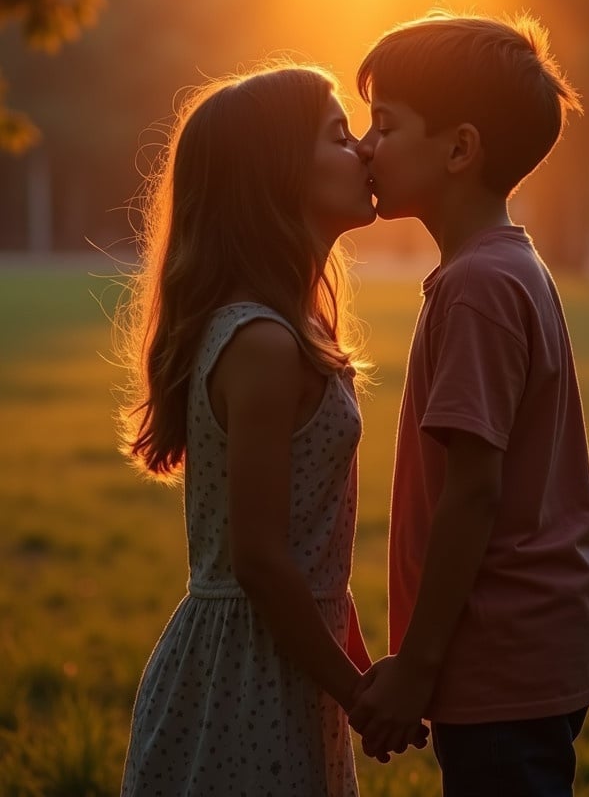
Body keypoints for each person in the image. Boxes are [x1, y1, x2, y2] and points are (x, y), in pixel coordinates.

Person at [116, 64, 423, 796]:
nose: (364, 152)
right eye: (338, 135)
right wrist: (355, 694)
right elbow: (260, 560)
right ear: (276, 173)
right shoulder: (261, 342)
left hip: (285, 659)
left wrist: (355, 667)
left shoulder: (296, 326)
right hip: (245, 675)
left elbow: (311, 548)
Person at [348, 13, 589, 796]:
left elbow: (473, 492)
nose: (363, 147)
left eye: (384, 126)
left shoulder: (477, 288)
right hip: (525, 651)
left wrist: (417, 667)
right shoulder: (503, 268)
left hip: (501, 656)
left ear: (459, 149)